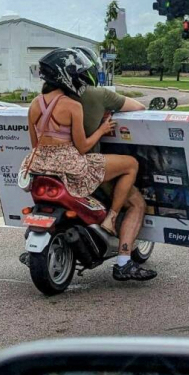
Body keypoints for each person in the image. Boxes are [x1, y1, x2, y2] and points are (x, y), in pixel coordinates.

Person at [21, 49, 140, 239]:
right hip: (69, 166)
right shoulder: (72, 106)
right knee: (131, 164)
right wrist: (102, 130)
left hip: (37, 166)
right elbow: (83, 147)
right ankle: (111, 218)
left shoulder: (35, 104)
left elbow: (35, 145)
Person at [74, 47, 157, 282]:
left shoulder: (52, 100)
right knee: (136, 202)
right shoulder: (97, 95)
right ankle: (123, 261)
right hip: (87, 166)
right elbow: (138, 107)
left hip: (53, 166)